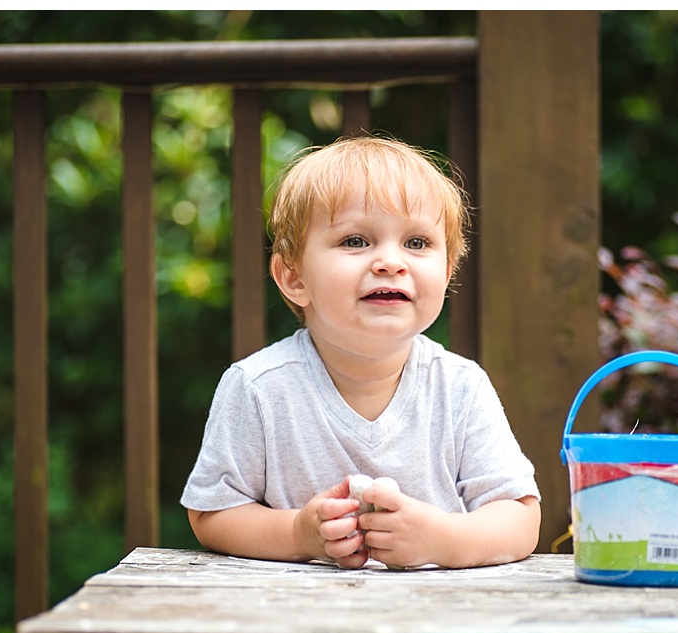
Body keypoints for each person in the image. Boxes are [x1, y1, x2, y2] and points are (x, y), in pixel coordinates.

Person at [183, 135, 540, 570]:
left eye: (417, 243)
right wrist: (298, 534)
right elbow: (212, 513)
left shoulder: (460, 387)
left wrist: (442, 540)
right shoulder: (258, 388)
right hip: (291, 620)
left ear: (447, 274)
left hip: (442, 621)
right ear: (294, 278)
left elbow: (520, 518)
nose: (391, 262)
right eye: (355, 241)